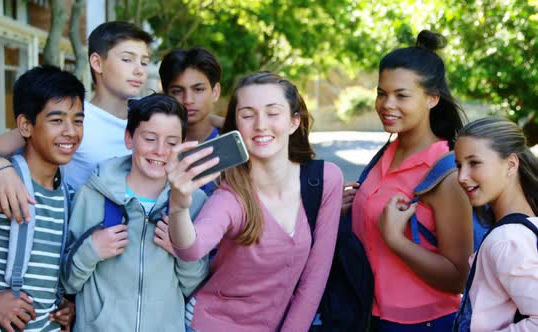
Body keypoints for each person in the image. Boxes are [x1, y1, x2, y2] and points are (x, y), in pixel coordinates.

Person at [165, 72, 343, 331]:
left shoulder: (325, 179)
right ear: (236, 126)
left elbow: (315, 277)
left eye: (272, 113)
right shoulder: (232, 195)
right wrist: (179, 206)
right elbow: (191, 249)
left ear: (294, 122)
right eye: (248, 115)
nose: (260, 124)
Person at [0, 21, 153, 222]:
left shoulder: (148, 120)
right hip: (74, 237)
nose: (139, 70)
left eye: (144, 62)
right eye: (127, 59)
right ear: (97, 63)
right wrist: (1, 168)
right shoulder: (71, 118)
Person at [348, 30, 473, 331]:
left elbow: (458, 277)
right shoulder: (387, 152)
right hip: (369, 314)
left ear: (432, 98)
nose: (386, 104)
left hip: (421, 323)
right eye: (381, 93)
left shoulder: (447, 173)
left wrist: (396, 240)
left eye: (401, 95)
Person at [0, 65, 84, 332]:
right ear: (25, 125)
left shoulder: (67, 197)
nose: (70, 131)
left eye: (77, 120)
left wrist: (65, 306)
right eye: (56, 121)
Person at [61, 93, 208, 332]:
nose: (160, 151)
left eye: (172, 142)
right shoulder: (94, 194)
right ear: (129, 138)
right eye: (150, 138)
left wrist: (181, 251)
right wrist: (91, 250)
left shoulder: (193, 202)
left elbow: (196, 286)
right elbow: (67, 283)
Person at [454, 117, 538, 331]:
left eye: (474, 163)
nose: (462, 177)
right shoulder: (527, 226)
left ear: (511, 164)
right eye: (459, 165)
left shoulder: (507, 239)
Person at [159, 46, 224, 196]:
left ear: (215, 92)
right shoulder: (155, 146)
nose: (188, 100)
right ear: (166, 94)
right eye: (177, 91)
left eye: (198, 89)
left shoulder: (233, 143)